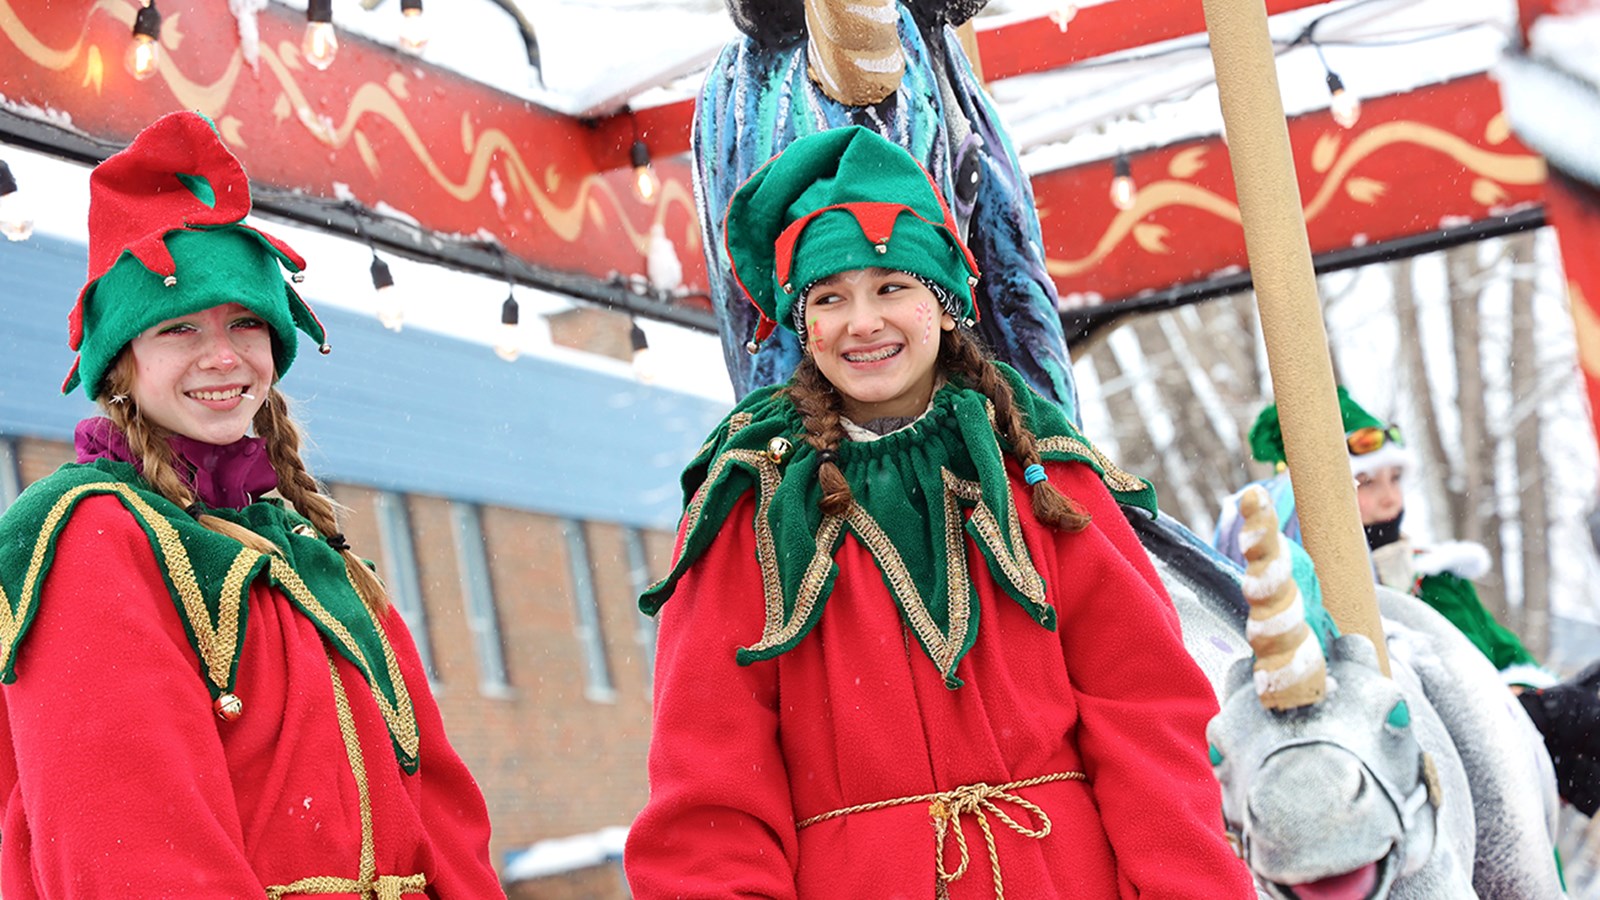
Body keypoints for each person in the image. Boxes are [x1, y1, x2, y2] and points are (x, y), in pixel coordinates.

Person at [624, 127, 1254, 898]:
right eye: (831, 297)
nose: (863, 322)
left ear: (945, 302)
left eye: (892, 287)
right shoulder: (753, 504)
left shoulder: (1040, 474)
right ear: (801, 323)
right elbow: (710, 786)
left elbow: (1148, 719)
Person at [0, 111, 505, 896]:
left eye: (246, 322)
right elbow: (133, 857)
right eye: (177, 328)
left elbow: (444, 819)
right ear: (120, 366)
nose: (224, 355)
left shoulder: (310, 548)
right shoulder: (88, 534)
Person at [1216, 388, 1600, 816]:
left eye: (1395, 479)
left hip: (1517, 778)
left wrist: (1532, 703)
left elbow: (1508, 656)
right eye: (1366, 482)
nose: (1389, 499)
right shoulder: (1318, 604)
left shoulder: (1438, 580)